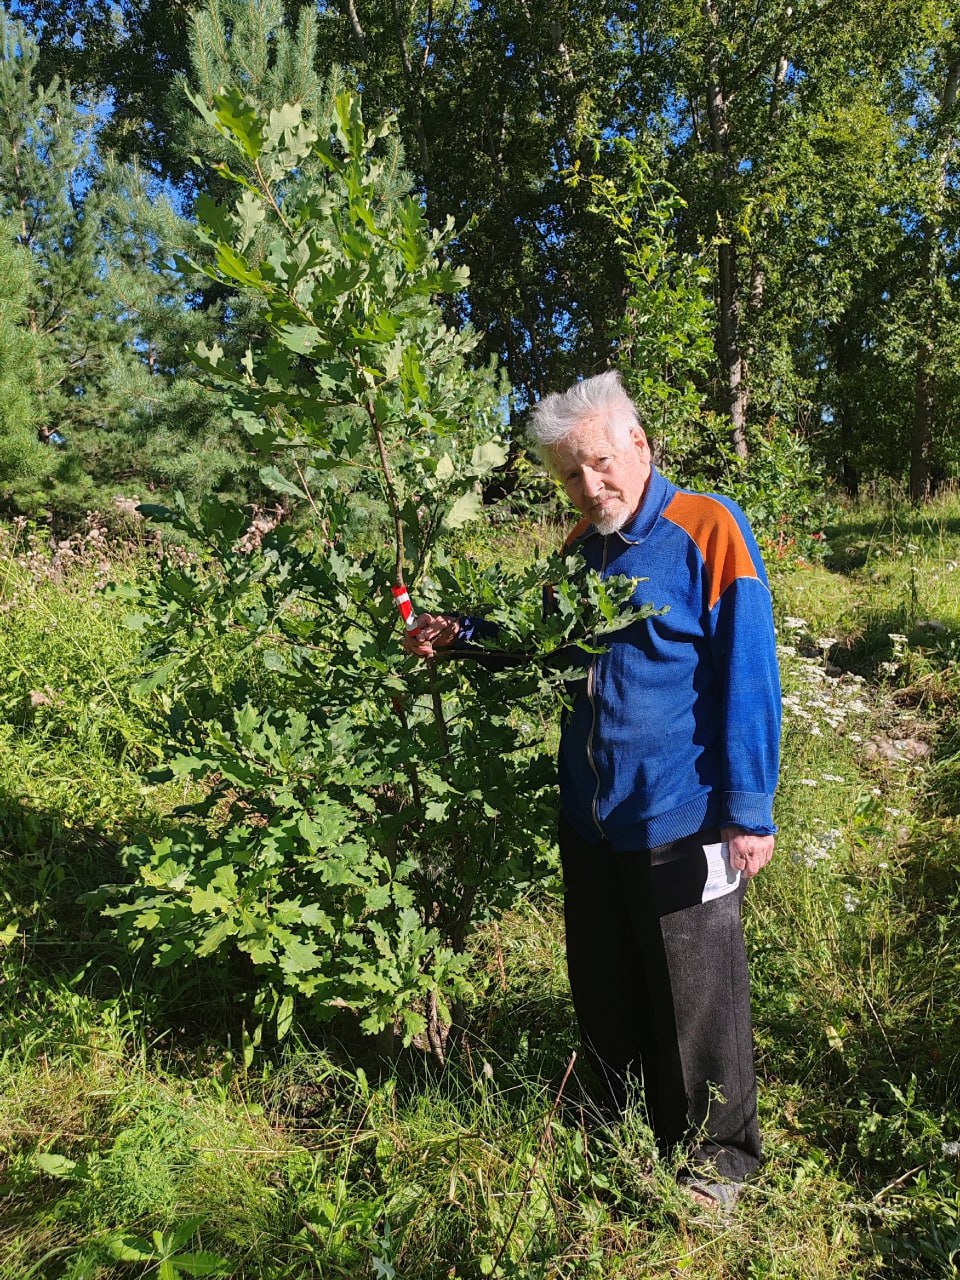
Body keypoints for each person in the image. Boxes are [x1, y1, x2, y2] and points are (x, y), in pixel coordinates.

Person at [404, 371, 780, 1208]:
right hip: (593, 817)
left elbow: (750, 673)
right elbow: (545, 643)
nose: (591, 485)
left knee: (699, 1000)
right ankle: (618, 1129)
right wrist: (461, 634)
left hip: (682, 812)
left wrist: (749, 809)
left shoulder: (707, 529)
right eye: (571, 474)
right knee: (607, 984)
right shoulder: (581, 547)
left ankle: (720, 1163)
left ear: (640, 446)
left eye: (601, 463)